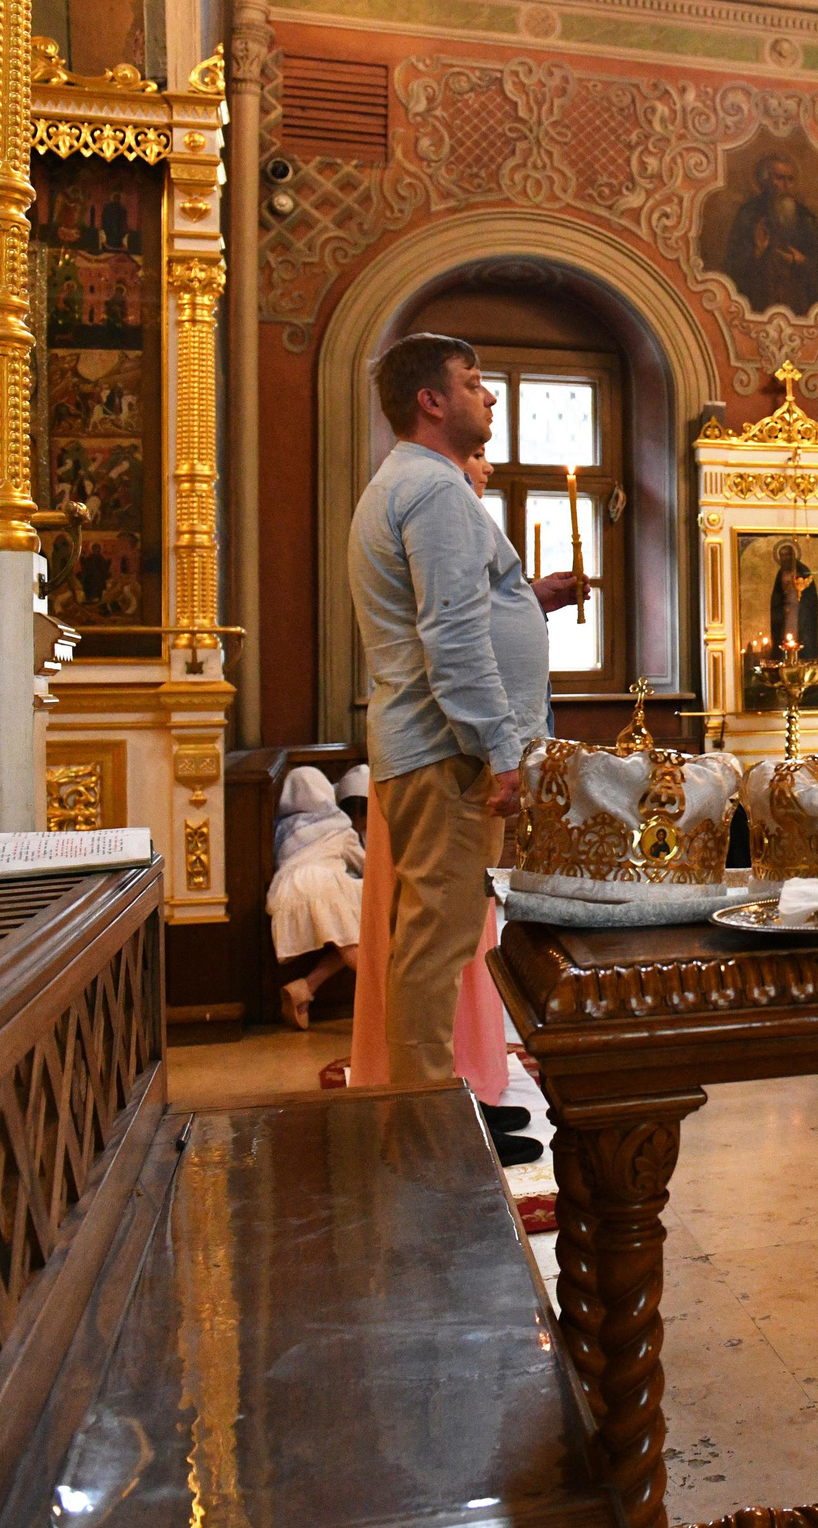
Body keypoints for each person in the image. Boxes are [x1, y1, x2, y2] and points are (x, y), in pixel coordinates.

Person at [348, 333, 579, 1150]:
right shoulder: (436, 491)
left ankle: (442, 1108)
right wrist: (504, 747)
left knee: (436, 938)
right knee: (435, 945)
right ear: (431, 401)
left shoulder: (415, 485)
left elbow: (466, 612)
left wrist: (526, 599)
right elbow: (451, 635)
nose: (492, 397)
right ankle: (424, 1133)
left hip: (439, 747)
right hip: (449, 753)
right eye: (475, 383)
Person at [269, 763, 367, 1029]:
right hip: (325, 886)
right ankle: (388, 1008)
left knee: (349, 936)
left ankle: (304, 988)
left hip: (288, 892)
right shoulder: (339, 828)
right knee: (358, 946)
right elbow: (367, 866)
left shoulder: (285, 830)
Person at [724, 152, 818, 316]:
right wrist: (757, 251)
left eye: (790, 179)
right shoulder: (749, 214)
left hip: (798, 303)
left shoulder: (804, 217)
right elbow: (732, 265)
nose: (786, 185)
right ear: (765, 180)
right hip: (759, 300)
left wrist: (800, 261)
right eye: (779, 178)